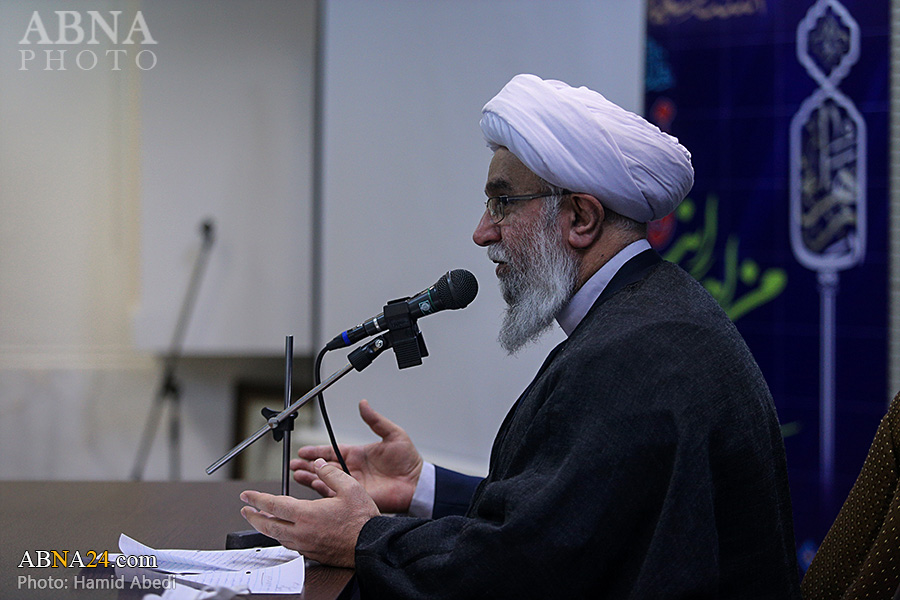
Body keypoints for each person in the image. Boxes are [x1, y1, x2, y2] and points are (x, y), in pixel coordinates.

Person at [240, 74, 801, 598]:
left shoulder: (635, 354)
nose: (483, 232)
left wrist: (363, 537)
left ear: (581, 218)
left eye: (502, 203)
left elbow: (519, 570)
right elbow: (567, 518)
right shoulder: (651, 316)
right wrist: (422, 486)